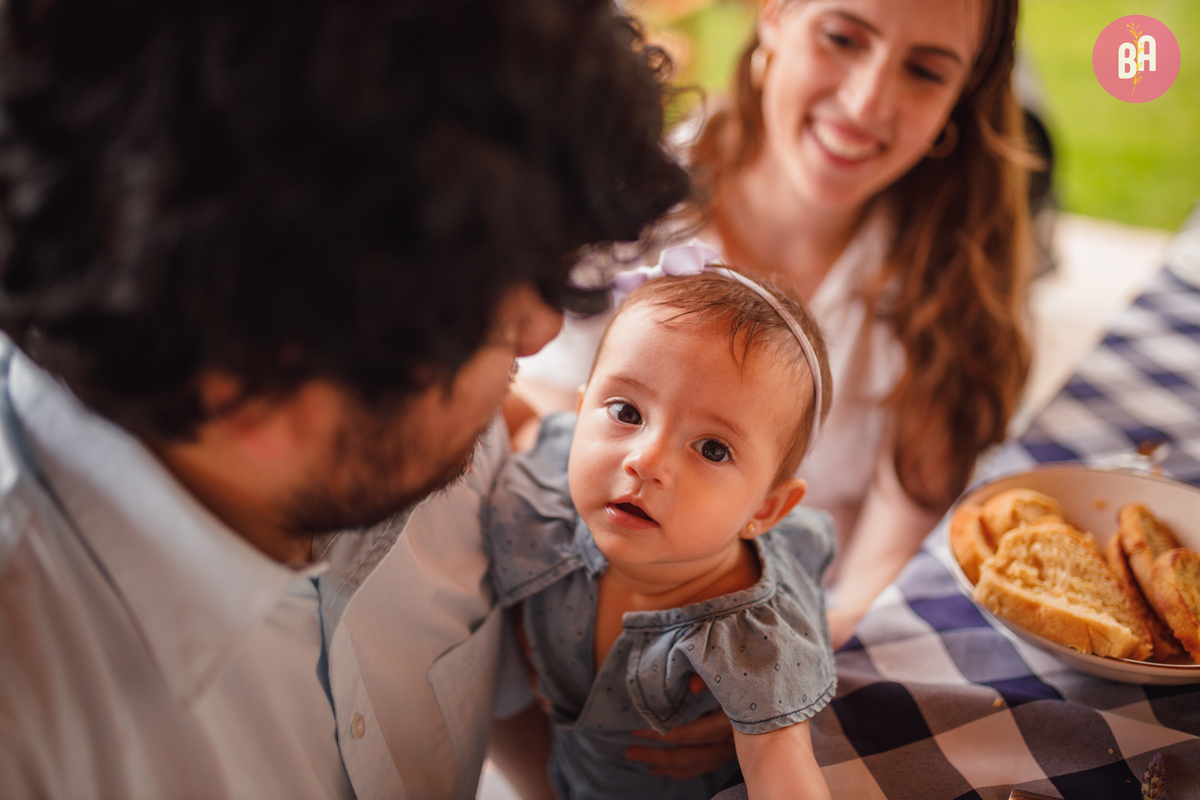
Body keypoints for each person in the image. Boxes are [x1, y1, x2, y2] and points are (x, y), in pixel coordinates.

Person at [0, 1, 698, 797]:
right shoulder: (30, 721)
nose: (539, 329)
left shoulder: (414, 413)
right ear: (257, 381)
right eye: (489, 301)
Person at [517, 0, 1033, 647]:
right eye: (843, 37)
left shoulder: (952, 277)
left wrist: (784, 664)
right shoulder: (620, 206)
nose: (866, 101)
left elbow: (888, 559)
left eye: (925, 72)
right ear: (775, 16)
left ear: (957, 102)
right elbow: (535, 434)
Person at [487, 243, 837, 800]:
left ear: (764, 511)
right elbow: (521, 421)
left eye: (712, 449)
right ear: (580, 417)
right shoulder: (543, 490)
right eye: (626, 412)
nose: (646, 462)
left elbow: (782, 769)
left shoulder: (749, 636)